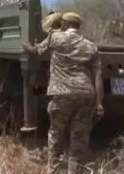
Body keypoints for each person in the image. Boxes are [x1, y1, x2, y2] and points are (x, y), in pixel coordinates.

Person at [22, 12, 104, 174]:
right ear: (78, 26)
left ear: (64, 25)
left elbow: (37, 51)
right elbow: (98, 76)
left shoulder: (55, 38)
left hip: (61, 94)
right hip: (85, 95)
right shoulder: (91, 46)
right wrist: (99, 103)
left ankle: (53, 170)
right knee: (78, 138)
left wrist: (26, 46)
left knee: (56, 134)